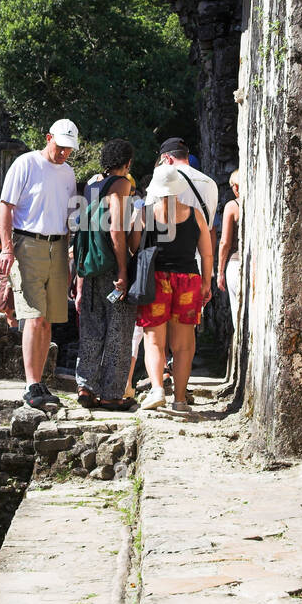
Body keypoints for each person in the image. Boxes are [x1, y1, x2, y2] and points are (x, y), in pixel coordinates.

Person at [0, 119, 79, 412]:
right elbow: (5, 206)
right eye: (60, 147)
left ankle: (39, 381)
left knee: (48, 319)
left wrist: (69, 253)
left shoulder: (68, 173)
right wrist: (7, 248)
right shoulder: (25, 163)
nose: (64, 153)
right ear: (48, 138)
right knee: (32, 316)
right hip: (27, 242)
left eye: (69, 149)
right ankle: (30, 384)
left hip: (57, 246)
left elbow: (69, 216)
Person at [137, 163, 212, 415]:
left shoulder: (145, 214)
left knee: (154, 341)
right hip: (188, 280)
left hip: (155, 280)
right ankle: (180, 399)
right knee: (184, 345)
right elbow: (206, 253)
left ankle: (157, 389)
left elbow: (134, 247)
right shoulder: (195, 214)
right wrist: (207, 282)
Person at [74, 138, 140, 411]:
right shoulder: (121, 184)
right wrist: (123, 271)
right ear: (126, 163)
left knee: (91, 327)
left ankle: (85, 388)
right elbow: (116, 229)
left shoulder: (91, 185)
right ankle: (112, 394)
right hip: (112, 267)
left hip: (89, 267)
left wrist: (77, 283)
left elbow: (83, 231)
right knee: (119, 330)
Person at [217, 169, 241, 328]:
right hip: (256, 266)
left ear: (237, 187)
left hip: (234, 264)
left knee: (237, 315)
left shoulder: (232, 206)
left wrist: (220, 271)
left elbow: (225, 242)